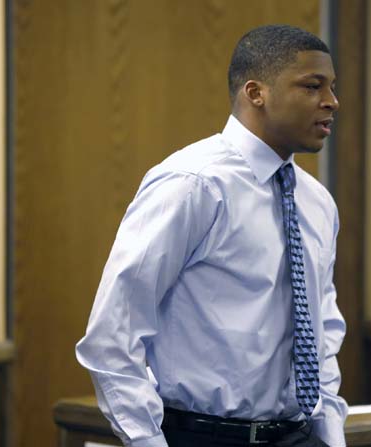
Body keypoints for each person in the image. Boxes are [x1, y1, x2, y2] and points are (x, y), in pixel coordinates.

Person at [76, 24, 347, 447]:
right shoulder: (193, 184)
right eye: (313, 86)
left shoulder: (316, 201)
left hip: (299, 436)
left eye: (331, 86)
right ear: (255, 93)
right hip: (204, 435)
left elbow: (323, 328)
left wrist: (330, 436)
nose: (332, 101)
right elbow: (114, 334)